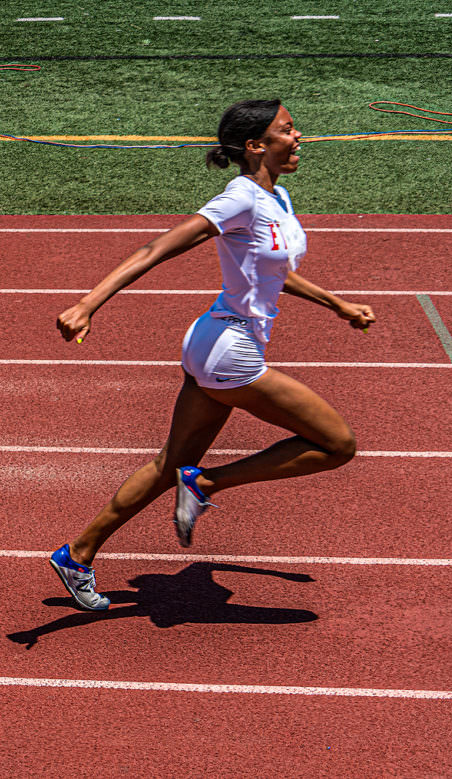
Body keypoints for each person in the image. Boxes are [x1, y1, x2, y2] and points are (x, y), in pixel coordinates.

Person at [46, 99, 376, 612]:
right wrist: (89, 303)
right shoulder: (239, 198)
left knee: (168, 464)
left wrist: (337, 305)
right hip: (230, 351)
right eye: (287, 130)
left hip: (212, 341)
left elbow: (274, 272)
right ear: (255, 146)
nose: (298, 137)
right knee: (337, 444)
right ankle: (206, 482)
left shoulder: (278, 198)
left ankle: (77, 554)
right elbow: (154, 249)